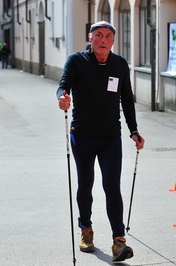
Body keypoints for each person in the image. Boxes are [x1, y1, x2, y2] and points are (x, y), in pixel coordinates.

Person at [56, 21, 145, 262]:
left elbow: (126, 98)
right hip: (82, 135)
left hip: (110, 136)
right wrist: (62, 98)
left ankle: (119, 240)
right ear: (91, 37)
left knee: (111, 186)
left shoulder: (119, 64)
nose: (103, 40)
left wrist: (134, 131)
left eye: (107, 36)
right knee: (86, 185)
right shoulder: (76, 61)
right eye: (98, 35)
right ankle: (86, 229)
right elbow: (63, 86)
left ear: (113, 41)